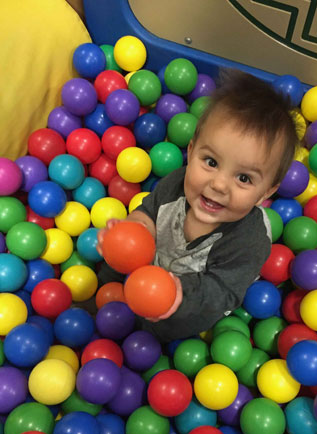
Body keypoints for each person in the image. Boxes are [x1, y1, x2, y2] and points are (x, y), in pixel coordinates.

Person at [97, 69, 298, 342]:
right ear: (191, 152)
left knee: (162, 331)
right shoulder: (176, 184)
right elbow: (149, 210)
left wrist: (179, 292)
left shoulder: (250, 241)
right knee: (106, 279)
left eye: (243, 178)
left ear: (267, 192)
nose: (218, 185)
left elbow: (223, 291)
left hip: (191, 301)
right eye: (211, 162)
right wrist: (132, 230)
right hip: (149, 269)